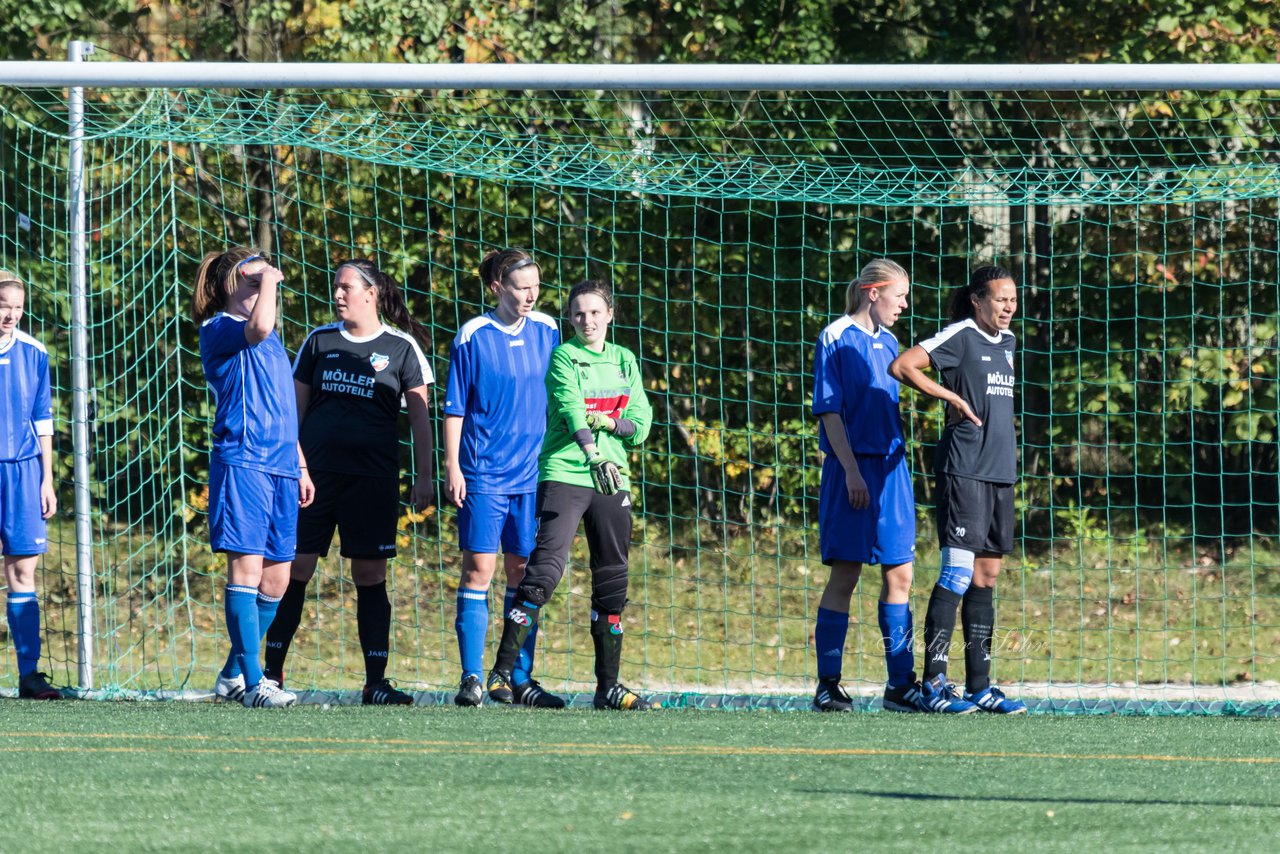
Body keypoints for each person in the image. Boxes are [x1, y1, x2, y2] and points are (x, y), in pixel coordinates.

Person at [261, 258, 434, 706]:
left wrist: (426, 476)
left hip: (372, 482)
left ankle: (375, 681)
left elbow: (420, 419)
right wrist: (290, 467)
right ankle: (271, 675)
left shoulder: (402, 349)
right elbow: (292, 415)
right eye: (335, 288)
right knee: (293, 570)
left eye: (344, 288)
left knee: (369, 574)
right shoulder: (319, 342)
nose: (337, 295)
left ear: (370, 293)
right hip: (311, 481)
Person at [486, 280, 655, 711]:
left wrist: (612, 427)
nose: (587, 321)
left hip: (613, 478)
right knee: (544, 573)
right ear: (570, 319)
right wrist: (592, 450)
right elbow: (571, 408)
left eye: (595, 313)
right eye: (579, 314)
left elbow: (641, 422)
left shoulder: (624, 360)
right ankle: (501, 673)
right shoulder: (564, 357)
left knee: (613, 582)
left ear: (610, 315)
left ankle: (608, 688)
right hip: (567, 472)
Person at [888, 265, 1026, 715]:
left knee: (986, 578)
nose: (1008, 306)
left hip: (1000, 474)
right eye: (1000, 299)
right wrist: (950, 397)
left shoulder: (1007, 342)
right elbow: (902, 365)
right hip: (964, 470)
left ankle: (980, 687)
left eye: (1012, 299)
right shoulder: (961, 334)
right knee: (957, 574)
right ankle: (933, 684)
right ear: (977, 300)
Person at [196, 248, 313, 709]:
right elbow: (259, 323)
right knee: (245, 572)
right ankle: (253, 680)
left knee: (277, 580)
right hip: (243, 462)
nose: (266, 289)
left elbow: (285, 410)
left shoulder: (272, 341)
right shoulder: (220, 328)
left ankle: (231, 675)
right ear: (230, 287)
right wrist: (267, 276)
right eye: (253, 282)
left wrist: (300, 464)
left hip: (281, 467)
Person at [444, 249, 560, 708]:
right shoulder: (473, 335)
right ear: (497, 287)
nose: (530, 294)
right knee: (480, 569)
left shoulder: (549, 330)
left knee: (525, 575)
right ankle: (472, 677)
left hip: (535, 476)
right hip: (484, 473)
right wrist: (453, 465)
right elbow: (455, 406)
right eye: (520, 286)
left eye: (535, 285)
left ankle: (515, 676)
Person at [810, 259, 920, 713]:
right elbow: (830, 411)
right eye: (900, 295)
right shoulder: (834, 337)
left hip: (892, 473)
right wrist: (851, 470)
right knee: (847, 574)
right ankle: (828, 685)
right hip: (851, 471)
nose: (905, 304)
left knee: (902, 574)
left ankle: (900, 685)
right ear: (873, 293)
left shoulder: (892, 342)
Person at [0, 272, 60, 700]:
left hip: (22, 474)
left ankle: (29, 674)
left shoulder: (35, 353)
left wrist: (47, 479)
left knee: (22, 572)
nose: (11, 315)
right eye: (4, 305)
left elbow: (43, 422)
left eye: (18, 307)